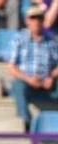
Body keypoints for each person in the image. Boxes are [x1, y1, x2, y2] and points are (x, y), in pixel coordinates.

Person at [7, 4, 58, 132]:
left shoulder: (52, 41)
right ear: (27, 21)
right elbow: (11, 67)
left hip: (47, 82)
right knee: (18, 85)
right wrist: (29, 79)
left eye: (39, 18)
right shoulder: (20, 39)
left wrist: (51, 77)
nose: (36, 22)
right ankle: (26, 120)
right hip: (27, 82)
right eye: (33, 18)